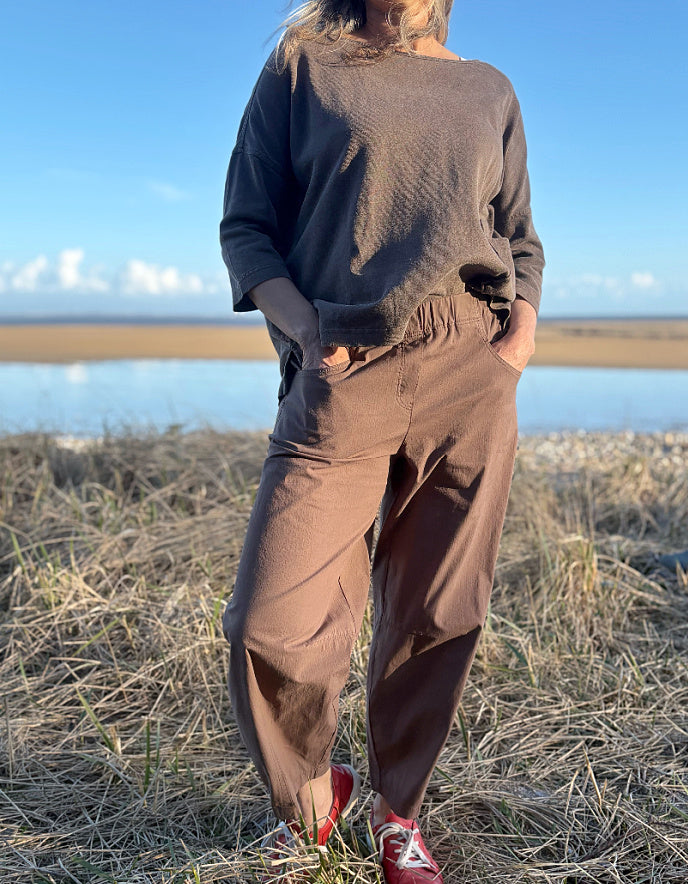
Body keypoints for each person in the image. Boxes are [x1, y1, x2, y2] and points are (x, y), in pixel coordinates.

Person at [219, 1, 545, 881]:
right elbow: (247, 225)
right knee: (268, 623)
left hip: (468, 372)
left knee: (440, 612)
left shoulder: (489, 89)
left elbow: (518, 237)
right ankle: (315, 798)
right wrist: (303, 333)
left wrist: (513, 346)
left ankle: (401, 812)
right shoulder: (304, 66)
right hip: (341, 364)